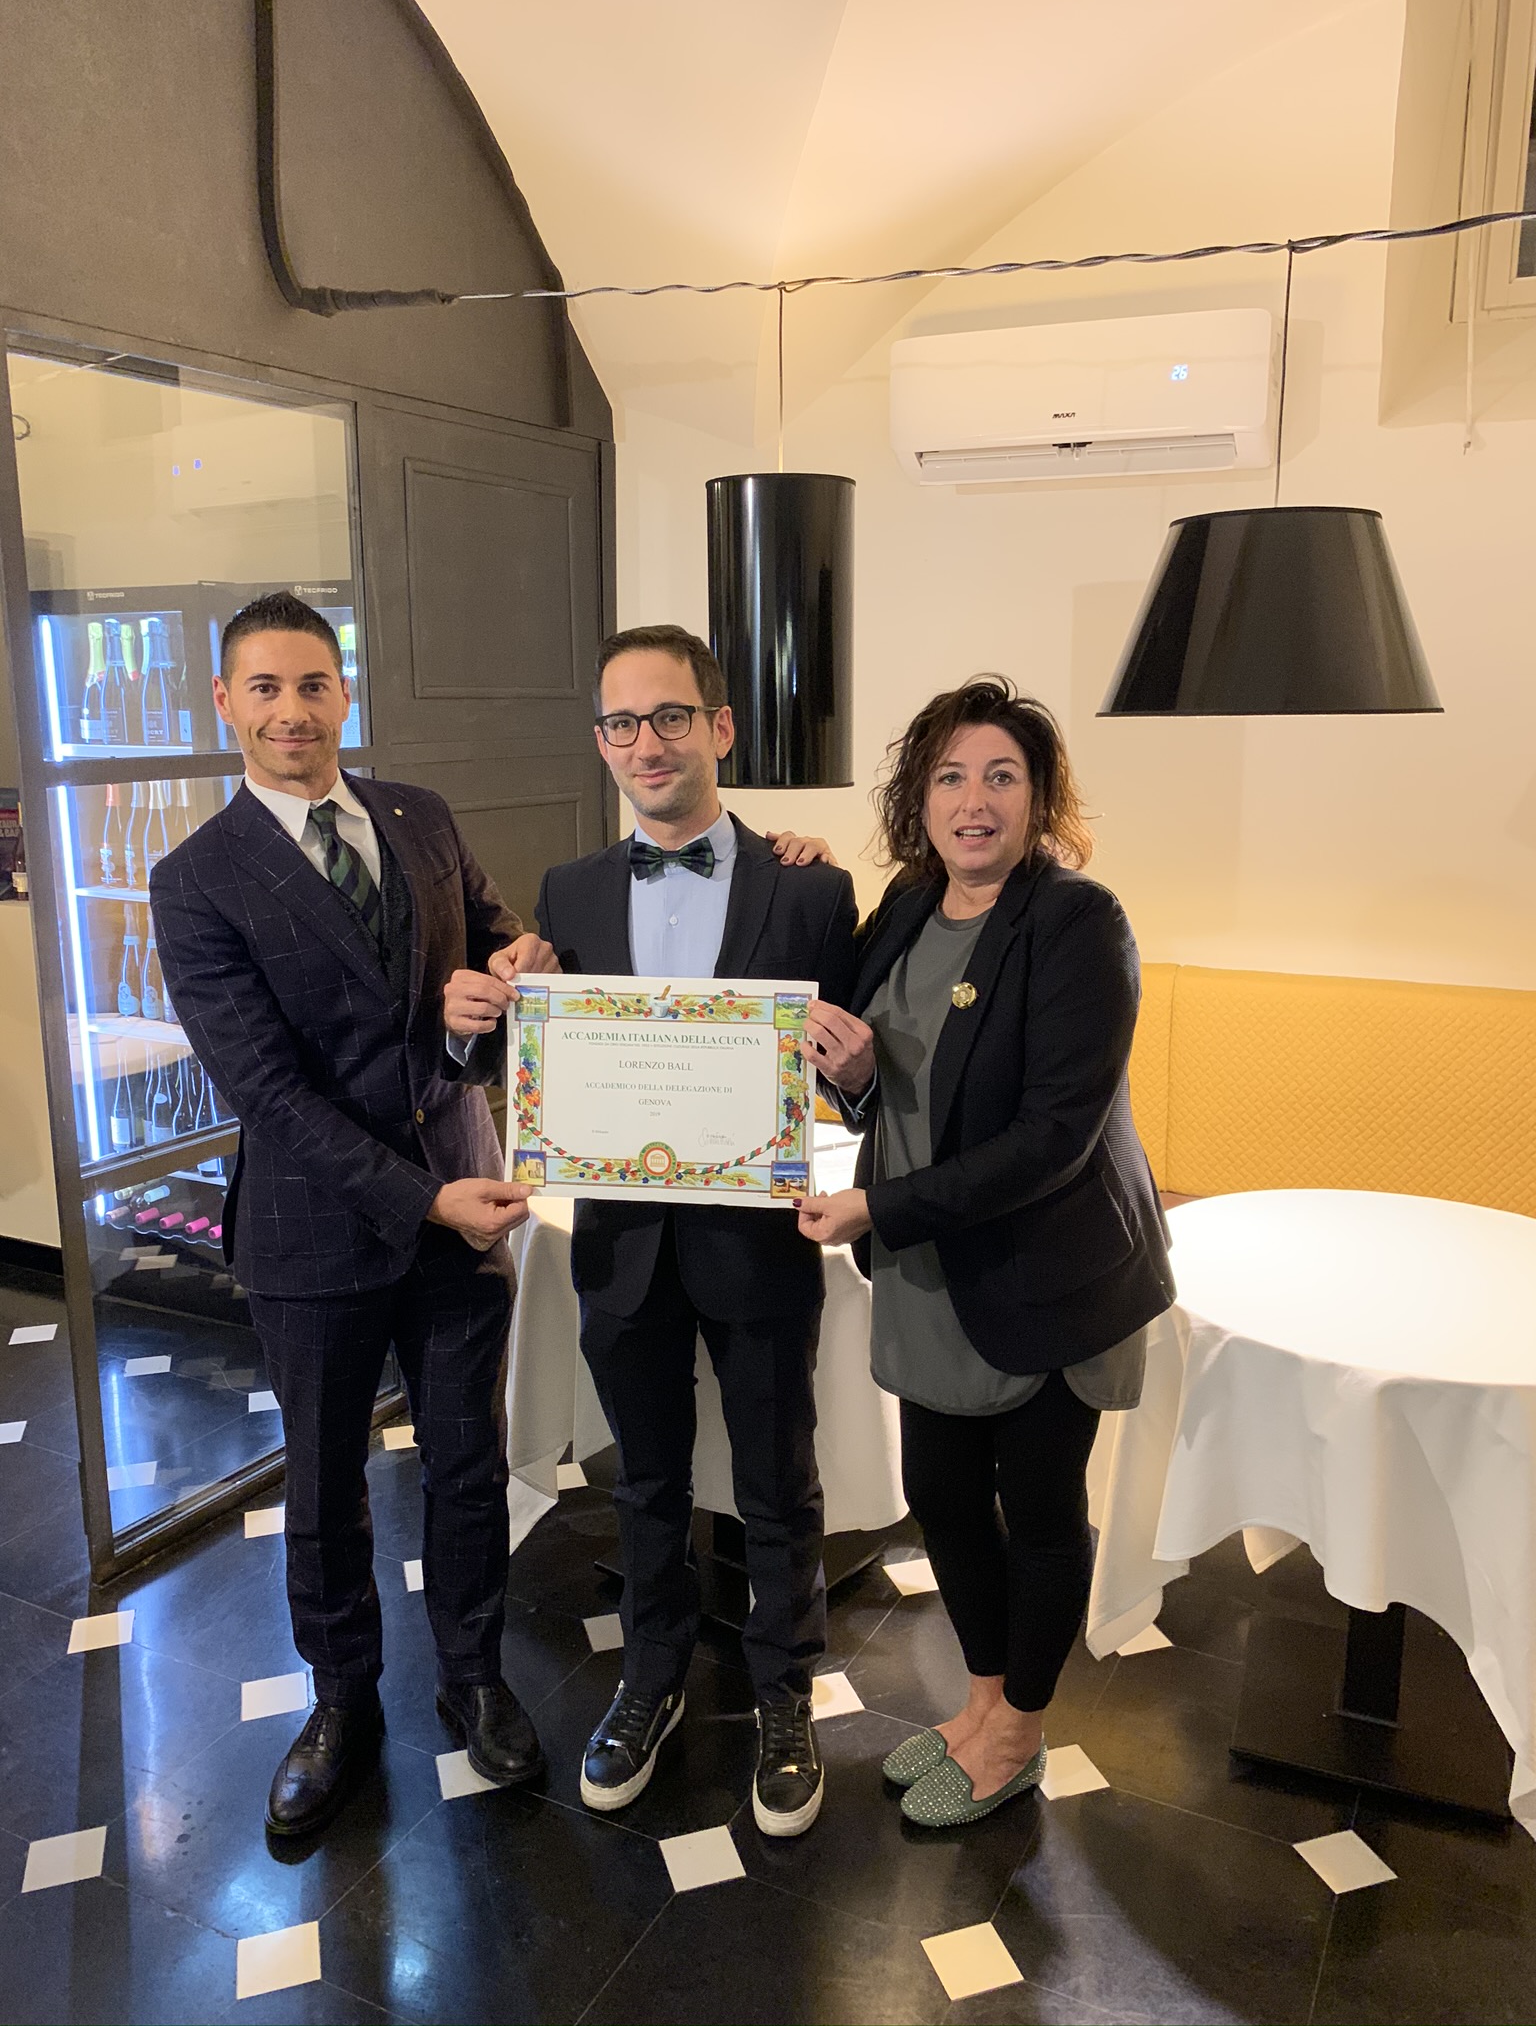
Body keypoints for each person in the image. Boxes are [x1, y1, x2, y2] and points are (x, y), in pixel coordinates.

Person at [151, 589, 558, 1838]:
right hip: (316, 1226)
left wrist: (519, 963)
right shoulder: (196, 877)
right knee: (326, 1484)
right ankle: (340, 1703)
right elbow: (267, 1091)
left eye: (314, 684)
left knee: (469, 1464)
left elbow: (491, 941)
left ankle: (474, 1676)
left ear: (346, 692)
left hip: (464, 1200)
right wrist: (422, 1196)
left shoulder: (419, 816)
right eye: (266, 687)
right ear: (225, 702)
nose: (293, 710)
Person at [445, 624, 856, 1838]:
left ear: (720, 727)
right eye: (622, 722)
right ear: (602, 741)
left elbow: (853, 1059)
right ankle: (653, 1675)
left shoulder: (813, 888)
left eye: (670, 715)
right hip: (623, 1244)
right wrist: (480, 1021)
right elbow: (538, 1060)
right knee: (645, 1482)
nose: (647, 742)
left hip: (760, 1242)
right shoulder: (568, 892)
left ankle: (784, 1692)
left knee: (779, 1480)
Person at [795, 676, 1174, 1828]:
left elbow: (1054, 1136)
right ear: (919, 799)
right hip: (933, 1270)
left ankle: (1018, 1730)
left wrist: (877, 1206)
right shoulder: (909, 905)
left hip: (1046, 1274)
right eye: (950, 776)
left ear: (1038, 797)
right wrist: (851, 1074)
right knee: (943, 1494)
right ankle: (982, 1699)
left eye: (1001, 776)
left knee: (1041, 1507)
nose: (974, 800)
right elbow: (865, 1066)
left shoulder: (1078, 923)